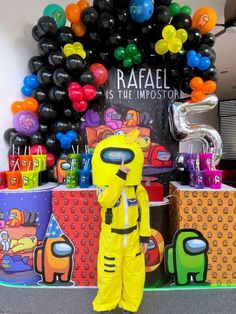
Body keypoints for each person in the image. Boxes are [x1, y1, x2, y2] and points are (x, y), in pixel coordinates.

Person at [92, 129, 151, 313]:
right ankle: (105, 305)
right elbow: (106, 201)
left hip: (133, 237)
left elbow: (145, 213)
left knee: (134, 274)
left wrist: (144, 237)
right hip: (112, 238)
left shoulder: (137, 189)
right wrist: (119, 177)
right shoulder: (104, 188)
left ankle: (130, 305)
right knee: (109, 273)